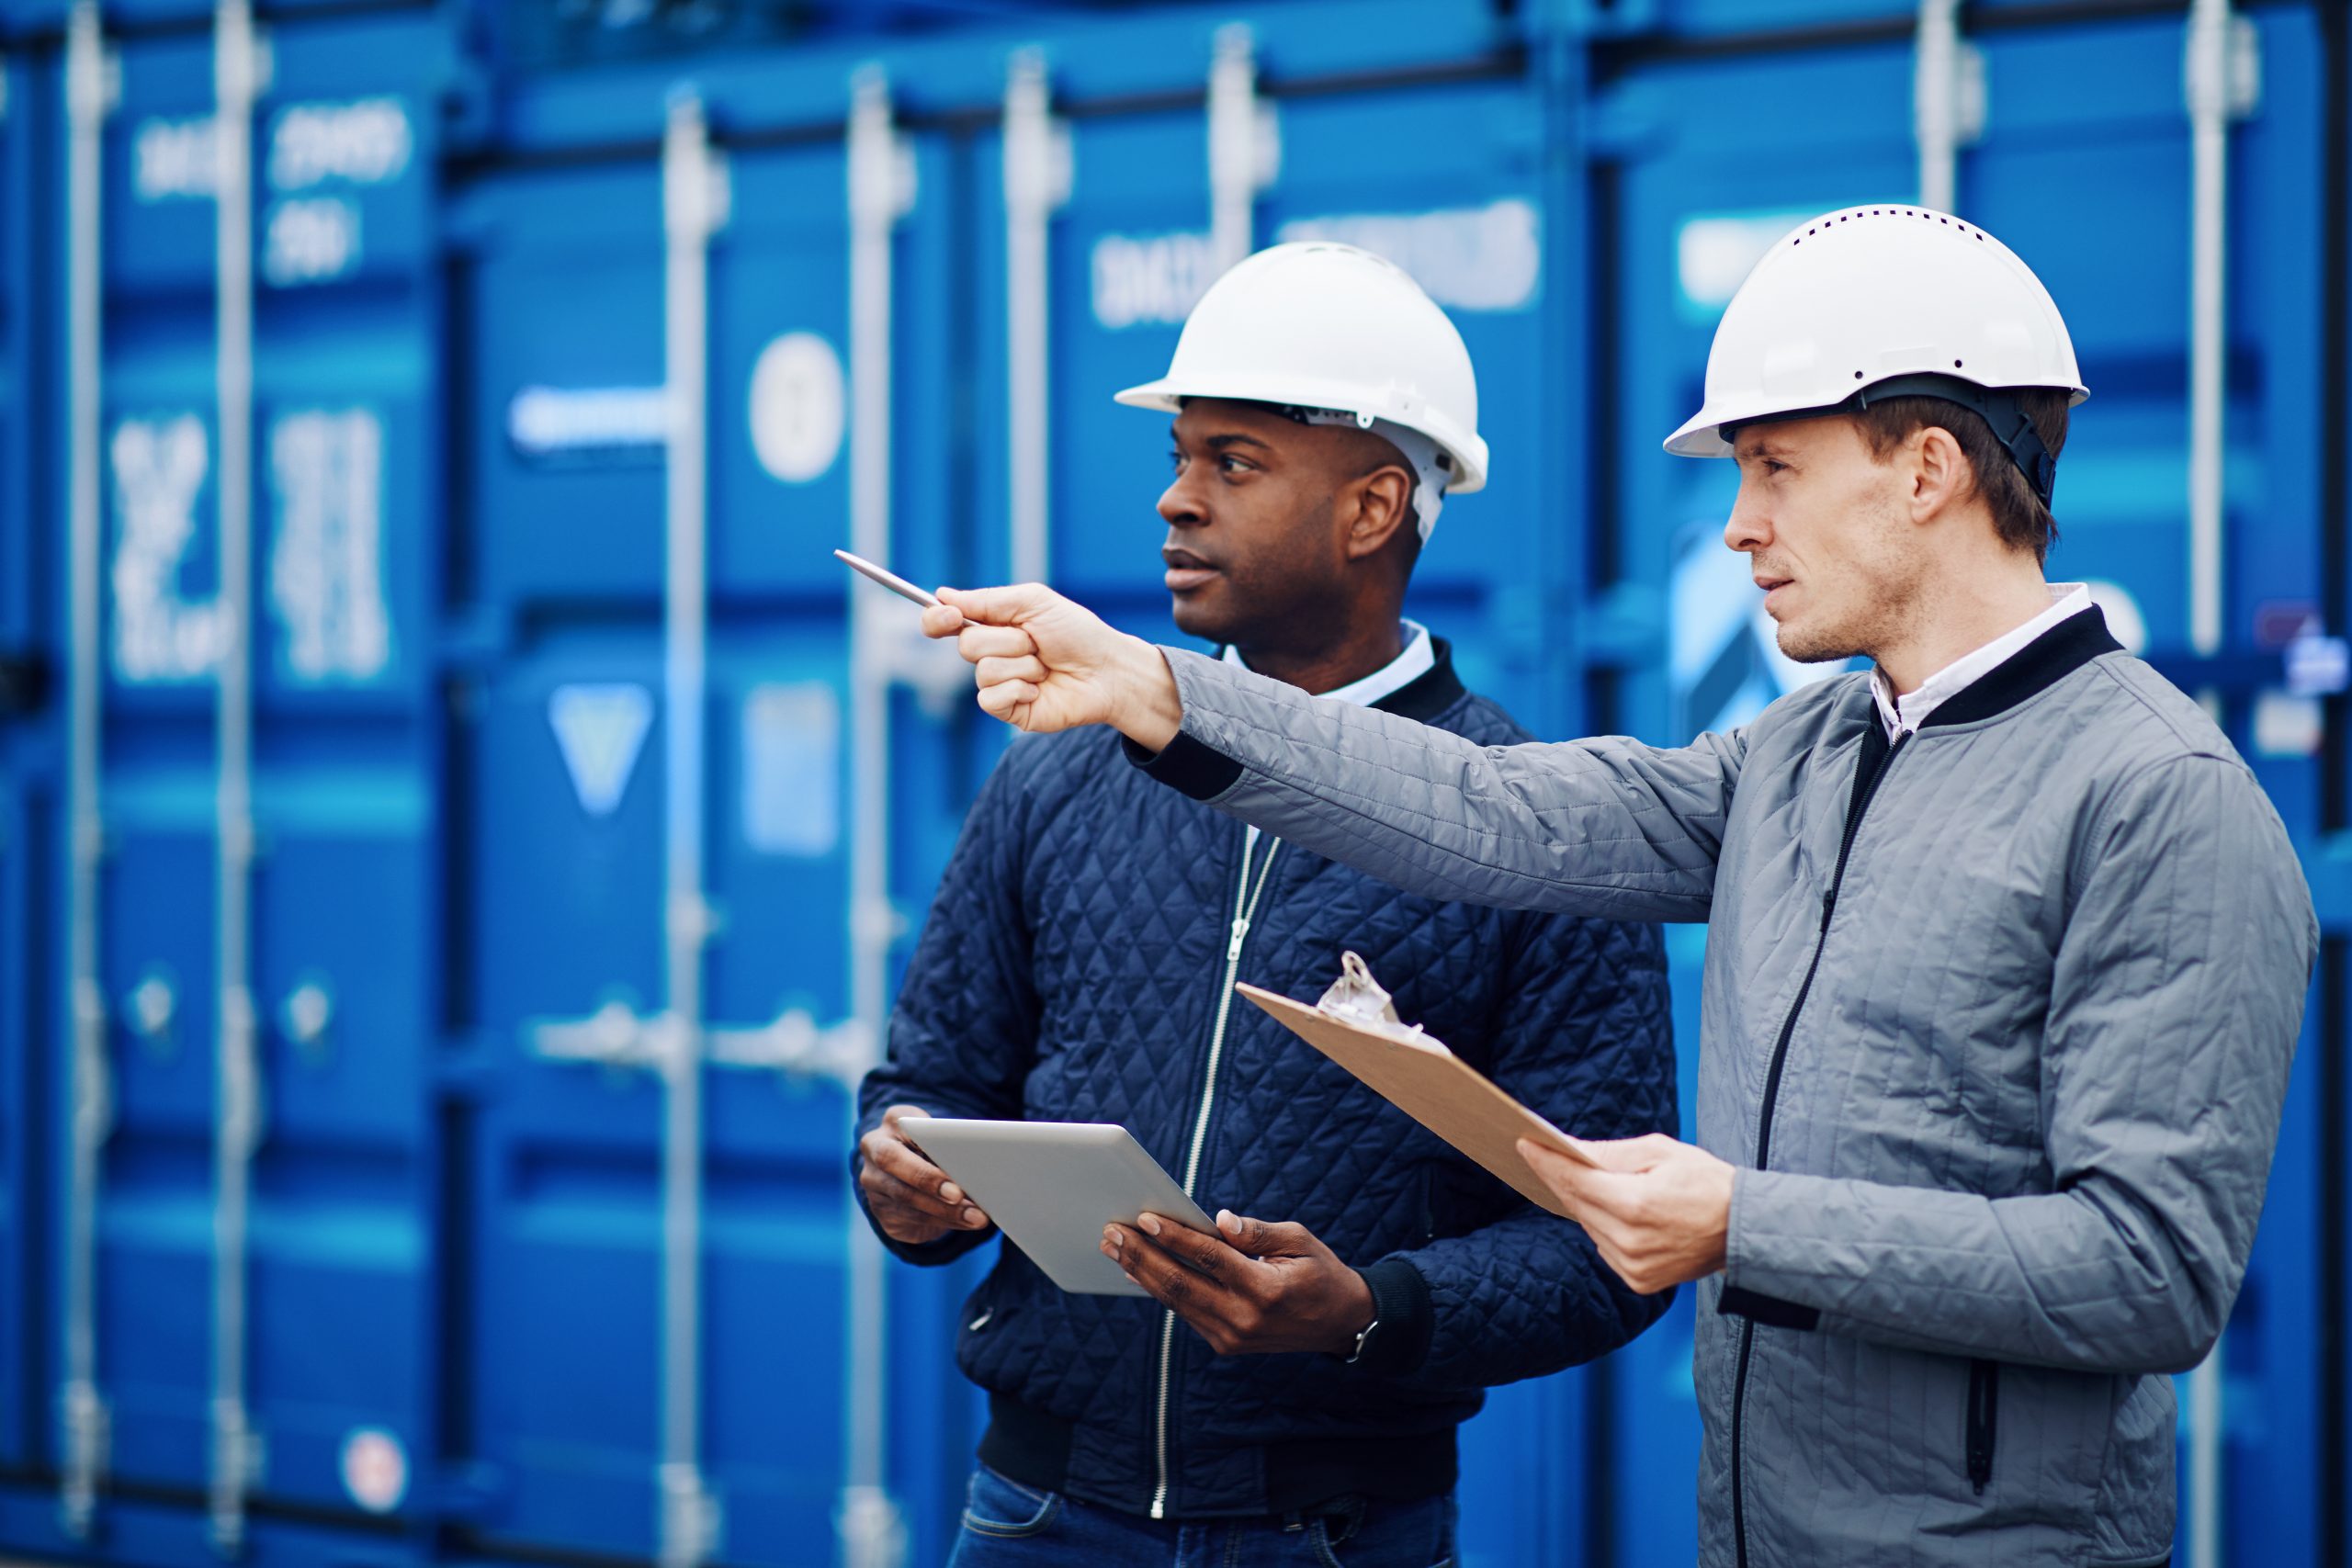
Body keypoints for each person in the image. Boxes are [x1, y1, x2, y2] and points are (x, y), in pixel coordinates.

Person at [922, 208, 2318, 1568]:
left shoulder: (2162, 799)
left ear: (1927, 470)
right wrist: (1157, 693)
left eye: (1772, 467)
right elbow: (1496, 807)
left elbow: (2151, 1273)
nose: (1737, 526)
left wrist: (1739, 1223)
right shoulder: (1806, 751)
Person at [854, 242, 1678, 1566]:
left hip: (1340, 1533)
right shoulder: (1059, 773)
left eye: (1231, 464)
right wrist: (898, 1179)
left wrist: (1370, 1310)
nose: (1177, 503)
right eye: (1178, 459)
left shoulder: (1538, 825)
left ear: (1372, 509)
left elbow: (1607, 1247)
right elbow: (923, 1082)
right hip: (1037, 1519)